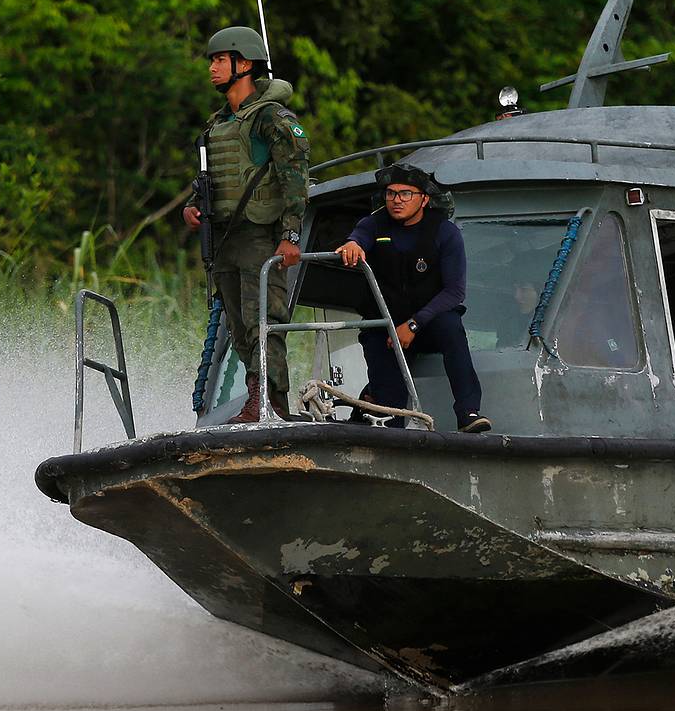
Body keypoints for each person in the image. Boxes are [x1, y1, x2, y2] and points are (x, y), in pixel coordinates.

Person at [183, 26, 309, 422]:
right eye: (212, 61)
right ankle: (259, 401)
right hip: (225, 238)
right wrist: (191, 207)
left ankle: (271, 405)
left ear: (245, 63)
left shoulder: (271, 118)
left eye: (220, 59)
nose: (213, 68)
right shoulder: (217, 123)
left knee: (264, 323)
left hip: (260, 235)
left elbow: (295, 177)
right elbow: (211, 181)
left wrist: (290, 235)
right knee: (239, 329)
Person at [335, 164, 491, 433]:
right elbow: (359, 236)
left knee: (452, 328)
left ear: (424, 199)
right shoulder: (374, 224)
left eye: (406, 194)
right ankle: (383, 418)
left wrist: (414, 325)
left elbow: (454, 292)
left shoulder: (444, 232)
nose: (397, 200)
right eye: (391, 194)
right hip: (384, 328)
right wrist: (352, 244)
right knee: (390, 406)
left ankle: (468, 412)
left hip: (428, 322)